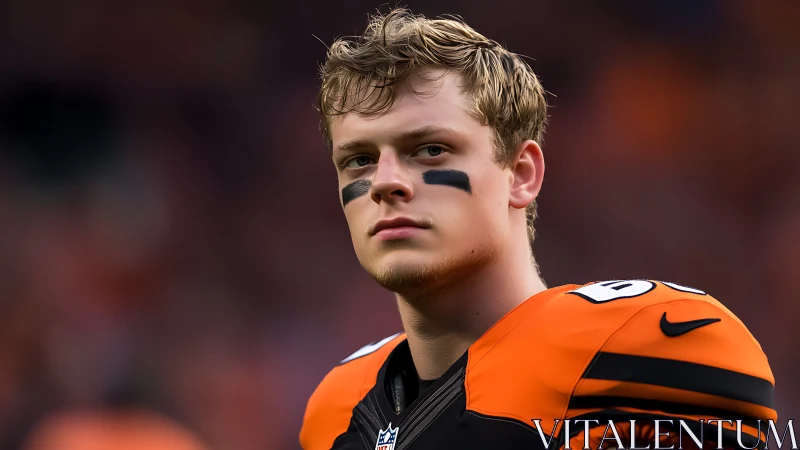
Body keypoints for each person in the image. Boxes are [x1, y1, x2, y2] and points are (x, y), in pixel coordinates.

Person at [300, 8, 776, 450]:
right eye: (359, 160)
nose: (384, 183)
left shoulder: (637, 352)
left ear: (522, 173)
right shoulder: (335, 411)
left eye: (429, 150)